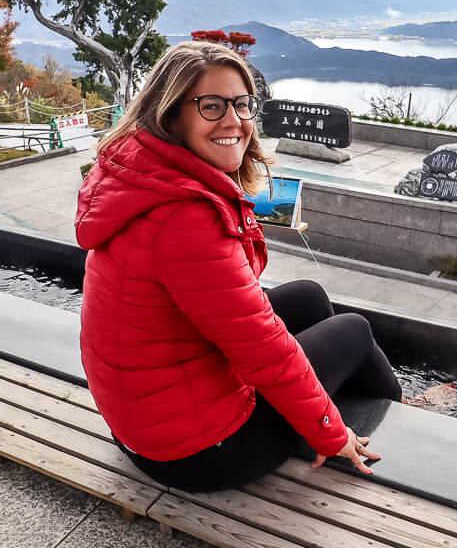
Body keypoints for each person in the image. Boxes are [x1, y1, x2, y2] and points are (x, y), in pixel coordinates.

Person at [75, 40, 402, 492]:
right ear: (171, 115)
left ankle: (337, 408)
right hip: (201, 453)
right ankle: (403, 421)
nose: (234, 121)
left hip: (144, 423)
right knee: (353, 331)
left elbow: (237, 320)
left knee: (308, 296)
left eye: (242, 104)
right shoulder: (185, 217)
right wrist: (328, 429)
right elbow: (264, 350)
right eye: (211, 106)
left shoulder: (141, 177)